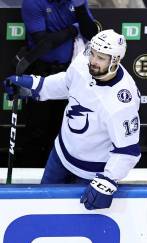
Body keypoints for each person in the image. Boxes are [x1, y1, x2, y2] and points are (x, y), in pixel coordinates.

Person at [3, 29, 141, 210]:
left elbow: (128, 150)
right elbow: (67, 83)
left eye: (101, 58)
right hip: (60, 156)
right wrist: (34, 86)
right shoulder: (83, 62)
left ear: (115, 60)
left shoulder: (122, 102)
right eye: (93, 54)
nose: (93, 61)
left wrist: (107, 181)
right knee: (42, 211)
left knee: (69, 226)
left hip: (90, 173)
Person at [18, 0, 99, 165]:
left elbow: (91, 33)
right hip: (41, 71)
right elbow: (43, 42)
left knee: (64, 129)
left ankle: (58, 179)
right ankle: (29, 179)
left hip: (69, 73)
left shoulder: (76, 3)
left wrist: (80, 9)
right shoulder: (33, 3)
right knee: (36, 128)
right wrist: (73, 29)